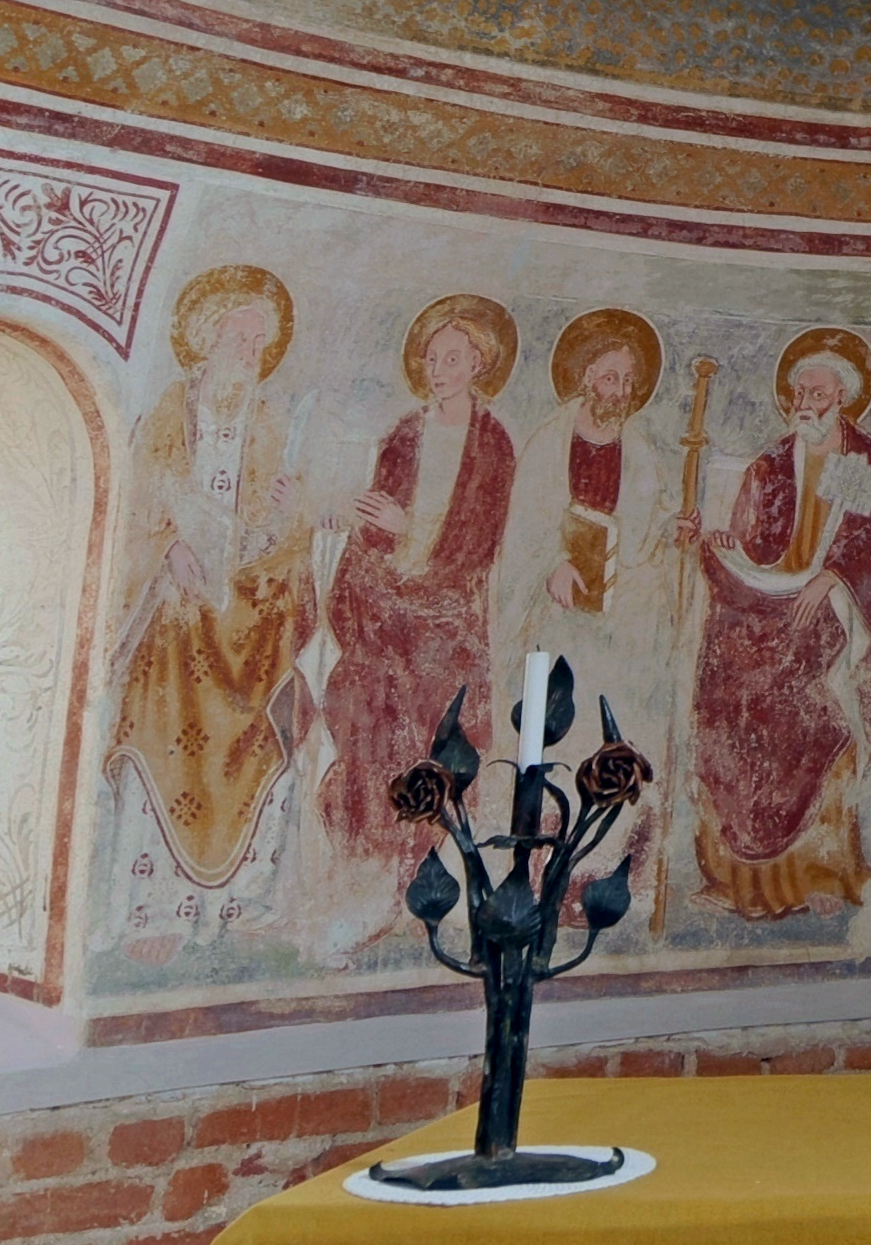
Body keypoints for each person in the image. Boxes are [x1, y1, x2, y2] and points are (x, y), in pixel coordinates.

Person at [110, 266, 316, 900]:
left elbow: (290, 530)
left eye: (259, 344)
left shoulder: (274, 420)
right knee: (162, 733)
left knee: (258, 739)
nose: (248, 353)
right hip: (179, 608)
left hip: (249, 617)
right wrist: (169, 546)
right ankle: (153, 900)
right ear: (206, 337)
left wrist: (286, 510)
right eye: (238, 338)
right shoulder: (173, 409)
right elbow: (138, 496)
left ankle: (228, 905)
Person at [677, 332, 871, 917]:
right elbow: (749, 542)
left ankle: (818, 874)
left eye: (817, 391)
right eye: (799, 390)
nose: (805, 399)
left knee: (801, 697)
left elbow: (864, 542)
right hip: (767, 603)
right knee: (723, 683)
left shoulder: (860, 460)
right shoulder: (775, 461)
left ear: (843, 398)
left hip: (826, 609)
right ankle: (735, 881)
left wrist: (831, 579)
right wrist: (718, 538)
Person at [319, 294, 521, 877]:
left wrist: (410, 533)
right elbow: (378, 521)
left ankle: (432, 864)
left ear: (478, 364)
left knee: (440, 728)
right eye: (432, 359)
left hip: (448, 617)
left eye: (452, 359)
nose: (438, 371)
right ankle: (373, 858)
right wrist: (364, 526)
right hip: (387, 607)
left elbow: (478, 542)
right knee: (368, 705)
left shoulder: (493, 444)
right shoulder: (405, 433)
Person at [514, 305, 677, 744]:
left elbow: (651, 528)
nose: (621, 392)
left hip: (622, 616)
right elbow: (525, 522)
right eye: (610, 378)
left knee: (612, 708)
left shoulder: (641, 451)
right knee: (557, 714)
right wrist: (553, 563)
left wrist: (676, 528)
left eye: (627, 382)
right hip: (559, 606)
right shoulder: (549, 442)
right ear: (587, 378)